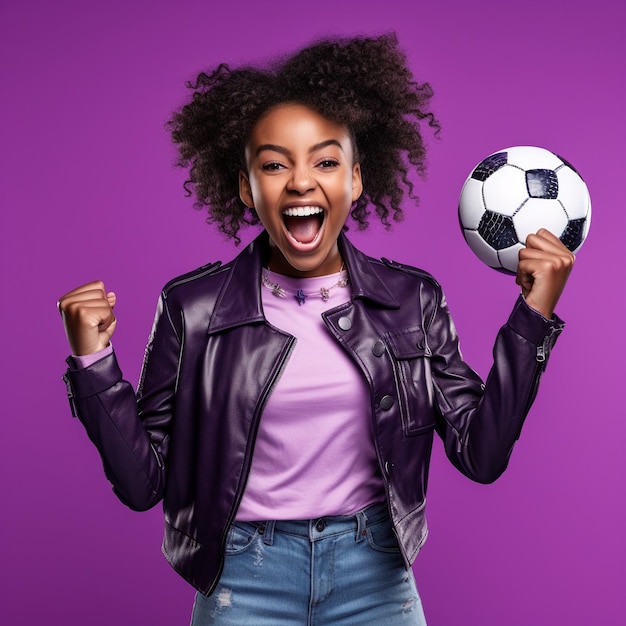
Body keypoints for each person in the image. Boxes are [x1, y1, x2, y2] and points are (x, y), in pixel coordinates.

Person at [58, 34, 573, 625]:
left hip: (375, 573)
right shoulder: (192, 308)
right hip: (242, 578)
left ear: (356, 180)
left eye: (325, 161)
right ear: (246, 188)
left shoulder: (411, 300)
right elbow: (141, 484)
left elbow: (481, 454)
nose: (301, 181)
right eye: (274, 164)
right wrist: (94, 364)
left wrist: (531, 319)